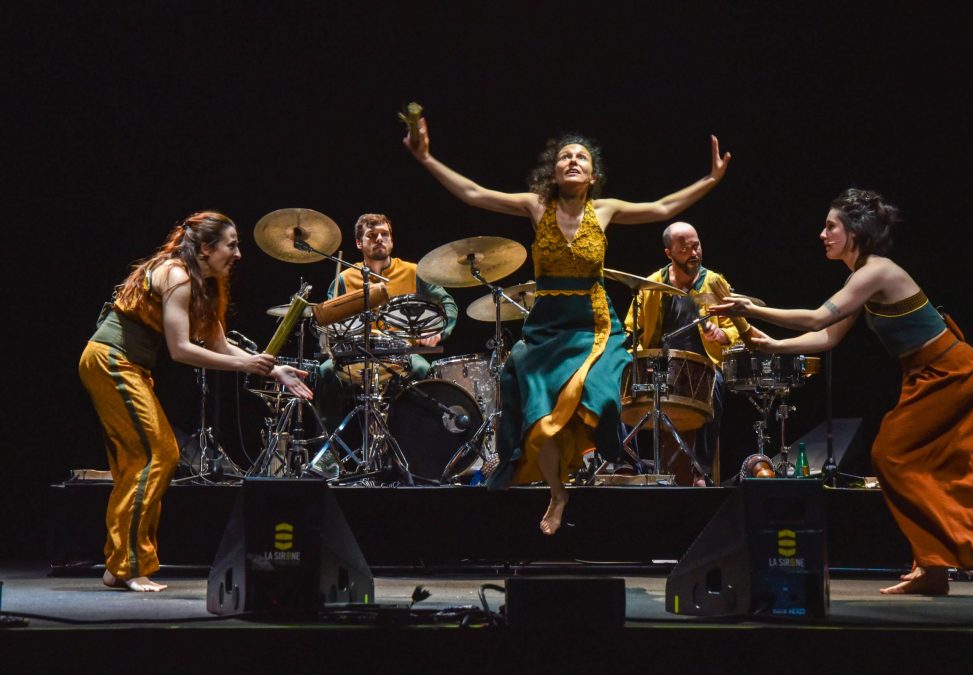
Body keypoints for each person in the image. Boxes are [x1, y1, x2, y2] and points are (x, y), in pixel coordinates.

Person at [404, 117, 731, 534]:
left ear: (593, 174)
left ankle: (598, 455)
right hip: (548, 328)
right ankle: (558, 492)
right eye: (565, 157)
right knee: (542, 419)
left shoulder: (605, 210)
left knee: (606, 402)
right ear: (553, 171)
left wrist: (711, 178)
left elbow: (664, 208)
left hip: (594, 324)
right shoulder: (535, 206)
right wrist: (427, 157)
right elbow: (473, 193)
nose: (573, 161)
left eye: (581, 157)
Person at [708, 188, 973, 595]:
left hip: (951, 371)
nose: (823, 234)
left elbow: (815, 319)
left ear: (855, 232)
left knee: (892, 455)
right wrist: (774, 345)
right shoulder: (860, 280)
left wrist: (751, 309)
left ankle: (951, 555)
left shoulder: (876, 271)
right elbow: (827, 336)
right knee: (915, 462)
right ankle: (932, 570)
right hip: (926, 374)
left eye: (831, 227)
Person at [78, 211, 312, 592]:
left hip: (129, 366)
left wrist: (273, 371)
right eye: (231, 245)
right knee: (159, 455)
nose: (238, 254)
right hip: (110, 361)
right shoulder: (177, 275)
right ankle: (130, 565)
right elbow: (181, 350)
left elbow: (219, 346)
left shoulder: (207, 285)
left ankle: (119, 563)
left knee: (138, 462)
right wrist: (247, 365)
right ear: (205, 248)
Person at [311, 212, 458, 443]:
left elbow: (447, 303)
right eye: (372, 235)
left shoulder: (414, 272)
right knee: (325, 372)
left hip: (403, 354)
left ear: (392, 240)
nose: (379, 238)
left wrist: (438, 330)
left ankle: (419, 445)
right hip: (357, 355)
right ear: (359, 243)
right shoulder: (344, 277)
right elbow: (327, 322)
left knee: (424, 371)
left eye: (384, 234)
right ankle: (328, 449)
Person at [622, 221, 748, 485]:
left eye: (696, 245)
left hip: (703, 365)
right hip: (659, 363)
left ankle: (699, 471)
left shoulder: (714, 283)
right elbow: (632, 327)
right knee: (612, 383)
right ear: (669, 253)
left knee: (716, 385)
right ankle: (626, 463)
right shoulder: (652, 284)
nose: (694, 253)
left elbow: (736, 328)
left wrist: (721, 334)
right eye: (684, 249)